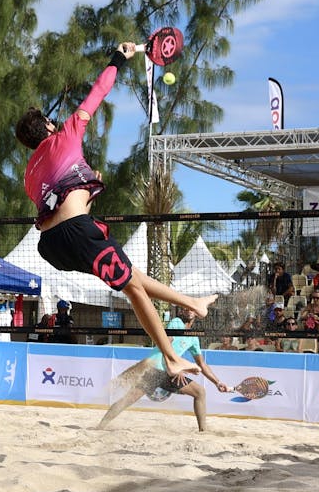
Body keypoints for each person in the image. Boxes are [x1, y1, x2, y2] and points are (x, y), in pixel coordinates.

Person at [16, 43, 218, 381]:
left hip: (52, 246)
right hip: (77, 233)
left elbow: (63, 204)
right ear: (49, 127)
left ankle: (192, 302)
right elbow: (98, 92)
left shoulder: (28, 175)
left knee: (131, 275)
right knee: (133, 288)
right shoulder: (65, 134)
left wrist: (89, 184)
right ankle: (170, 357)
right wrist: (119, 59)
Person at [97, 307, 230, 431]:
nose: (189, 309)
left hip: (169, 372)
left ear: (197, 313)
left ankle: (203, 432)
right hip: (155, 367)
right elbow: (165, 345)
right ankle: (100, 427)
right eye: (186, 307)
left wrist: (217, 382)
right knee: (129, 399)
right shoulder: (176, 323)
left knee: (200, 392)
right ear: (182, 311)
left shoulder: (194, 338)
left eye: (192, 308)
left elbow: (202, 364)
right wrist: (176, 368)